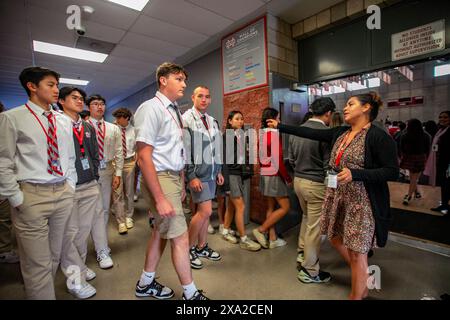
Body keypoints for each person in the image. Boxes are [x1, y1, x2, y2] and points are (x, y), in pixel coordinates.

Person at [267, 92, 399, 300]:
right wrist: (280, 126)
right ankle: (361, 275)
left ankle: (358, 293)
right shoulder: (341, 132)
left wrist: (357, 174)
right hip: (339, 197)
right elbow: (309, 133)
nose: (344, 108)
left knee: (357, 251)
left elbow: (392, 171)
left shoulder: (377, 136)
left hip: (362, 201)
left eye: (350, 104)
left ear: (366, 108)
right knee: (336, 238)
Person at [0, 67, 77, 299]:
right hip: (31, 195)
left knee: (54, 255)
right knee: (37, 262)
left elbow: (69, 157)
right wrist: (16, 197)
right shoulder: (12, 118)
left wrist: (70, 186)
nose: (56, 90)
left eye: (56, 85)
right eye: (50, 85)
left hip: (62, 192)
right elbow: (3, 161)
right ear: (32, 86)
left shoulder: (63, 120)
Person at [134, 62, 208, 300]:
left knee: (160, 234)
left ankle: (145, 284)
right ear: (163, 80)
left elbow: (177, 149)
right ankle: (191, 294)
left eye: (184, 80)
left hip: (173, 178)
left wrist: (182, 180)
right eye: (179, 79)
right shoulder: (151, 108)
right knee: (180, 237)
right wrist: (159, 197)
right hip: (160, 177)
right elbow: (143, 156)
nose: (184, 84)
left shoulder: (173, 110)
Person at [58, 86, 100, 299]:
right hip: (68, 187)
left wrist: (95, 175)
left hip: (89, 184)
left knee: (83, 232)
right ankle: (75, 281)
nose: (80, 101)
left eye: (81, 98)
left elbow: (93, 153)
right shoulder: (56, 123)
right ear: (61, 101)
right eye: (74, 97)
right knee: (69, 235)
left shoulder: (87, 126)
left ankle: (80, 268)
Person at [289, 98, 334, 283]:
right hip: (316, 184)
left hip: (298, 181)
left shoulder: (297, 130)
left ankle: (302, 252)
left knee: (307, 218)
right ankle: (310, 271)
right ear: (328, 113)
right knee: (316, 229)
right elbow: (328, 166)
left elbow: (291, 160)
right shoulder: (326, 133)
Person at [183, 86, 224, 269]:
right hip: (198, 175)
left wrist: (219, 171)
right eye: (200, 96)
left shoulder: (212, 121)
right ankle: (188, 249)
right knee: (205, 212)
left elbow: (217, 148)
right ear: (193, 97)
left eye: (207, 96)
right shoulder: (186, 119)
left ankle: (201, 246)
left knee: (204, 215)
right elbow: (185, 151)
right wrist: (191, 175)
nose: (204, 100)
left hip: (211, 174)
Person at [87, 94, 123, 268]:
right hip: (88, 173)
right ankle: (94, 245)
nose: (99, 107)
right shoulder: (83, 127)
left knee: (104, 211)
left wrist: (118, 174)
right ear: (89, 107)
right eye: (95, 104)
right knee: (91, 211)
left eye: (102, 104)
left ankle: (102, 247)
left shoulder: (112, 128)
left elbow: (119, 152)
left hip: (107, 170)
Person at [253, 108, 291, 250]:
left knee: (271, 206)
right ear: (271, 120)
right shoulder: (273, 134)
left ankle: (273, 238)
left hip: (265, 173)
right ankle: (261, 230)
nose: (279, 121)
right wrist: (287, 178)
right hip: (274, 174)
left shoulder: (262, 134)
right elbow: (278, 161)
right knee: (285, 207)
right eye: (277, 118)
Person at [222, 111, 261, 251]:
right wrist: (226, 183)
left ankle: (225, 230)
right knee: (241, 207)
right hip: (232, 175)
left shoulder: (242, 136)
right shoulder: (227, 137)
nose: (240, 121)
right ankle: (244, 239)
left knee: (232, 206)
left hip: (240, 174)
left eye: (242, 119)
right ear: (230, 121)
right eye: (237, 119)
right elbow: (225, 161)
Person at [0, 101, 20, 264]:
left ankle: (4, 248)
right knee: (4, 218)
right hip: (5, 182)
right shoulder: (8, 121)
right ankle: (4, 250)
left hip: (6, 183)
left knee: (4, 217)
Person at [112, 107, 137, 232]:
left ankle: (129, 216)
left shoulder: (134, 131)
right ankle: (120, 220)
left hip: (130, 162)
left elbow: (138, 147)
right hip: (116, 163)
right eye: (116, 118)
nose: (116, 121)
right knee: (117, 192)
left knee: (129, 192)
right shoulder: (114, 129)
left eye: (119, 118)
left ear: (127, 118)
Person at [399, 119, 431, 205]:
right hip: (420, 157)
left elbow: (401, 147)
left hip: (408, 157)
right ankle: (410, 196)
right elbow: (428, 148)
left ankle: (415, 194)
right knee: (414, 178)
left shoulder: (405, 135)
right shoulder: (426, 136)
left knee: (412, 177)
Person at [424, 111, 450, 214]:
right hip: (440, 163)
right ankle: (444, 205)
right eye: (440, 117)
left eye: (445, 117)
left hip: (447, 164)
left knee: (447, 185)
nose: (442, 119)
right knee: (444, 185)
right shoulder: (440, 131)